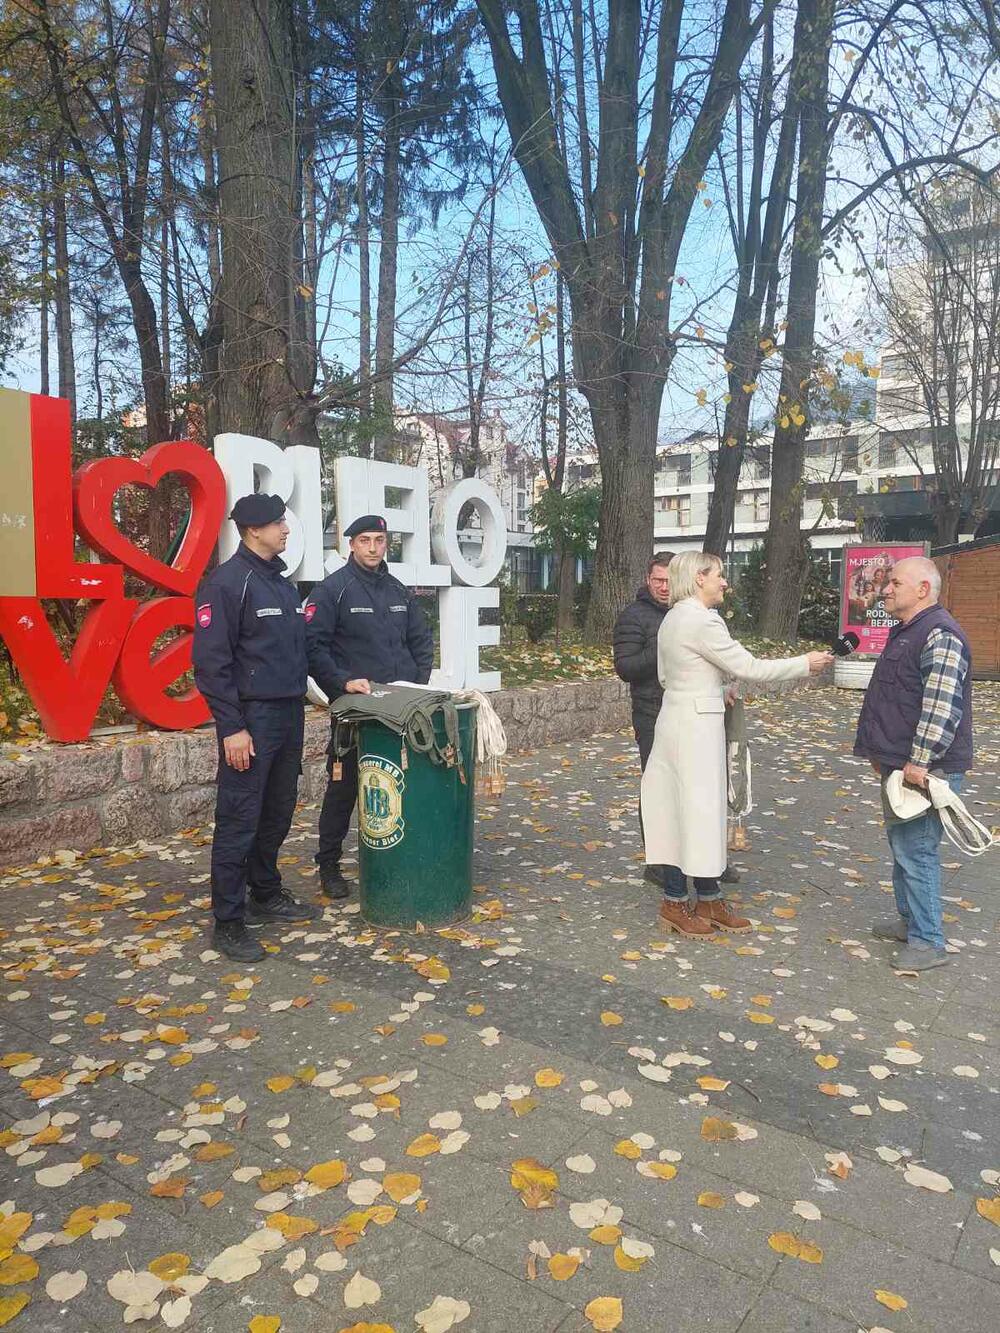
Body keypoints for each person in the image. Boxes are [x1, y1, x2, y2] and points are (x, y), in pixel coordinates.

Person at [641, 551, 832, 937]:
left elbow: (667, 676)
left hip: (678, 720)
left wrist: (716, 688)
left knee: (684, 811)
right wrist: (804, 663)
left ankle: (701, 899)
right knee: (697, 813)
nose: (724, 582)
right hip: (696, 730)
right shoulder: (702, 621)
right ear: (698, 578)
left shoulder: (673, 618)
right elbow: (750, 667)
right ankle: (679, 903)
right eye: (718, 575)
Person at [192, 493, 321, 963]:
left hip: (289, 714)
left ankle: (264, 892)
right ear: (252, 531)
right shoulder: (227, 584)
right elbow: (211, 664)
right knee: (240, 818)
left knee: (278, 810)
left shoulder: (282, 586)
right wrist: (232, 727)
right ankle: (228, 922)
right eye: (277, 524)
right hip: (251, 720)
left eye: (284, 521)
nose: (285, 530)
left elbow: (304, 653)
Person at [305, 514, 434, 898]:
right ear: (352, 545)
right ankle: (328, 865)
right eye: (365, 540)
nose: (373, 547)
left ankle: (398, 855)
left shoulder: (399, 591)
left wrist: (415, 685)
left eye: (379, 540)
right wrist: (341, 684)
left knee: (402, 783)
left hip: (400, 709)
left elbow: (421, 641)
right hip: (356, 710)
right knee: (343, 788)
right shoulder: (333, 591)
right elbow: (313, 646)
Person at [853, 556, 973, 971]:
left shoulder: (940, 635)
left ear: (923, 589)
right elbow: (894, 699)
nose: (887, 590)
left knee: (917, 851)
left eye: (895, 584)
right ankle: (911, 923)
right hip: (901, 766)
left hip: (924, 769)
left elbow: (941, 708)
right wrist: (880, 755)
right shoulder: (906, 632)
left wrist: (918, 761)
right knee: (903, 847)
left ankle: (927, 941)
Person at [613, 552, 738, 886]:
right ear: (647, 580)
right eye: (658, 580)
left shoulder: (696, 613)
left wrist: (719, 686)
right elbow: (625, 668)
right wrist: (665, 647)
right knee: (661, 790)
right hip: (653, 712)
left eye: (670, 580)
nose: (665, 587)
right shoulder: (635, 617)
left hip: (695, 711)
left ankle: (705, 863)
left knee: (701, 789)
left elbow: (710, 663)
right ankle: (662, 863)